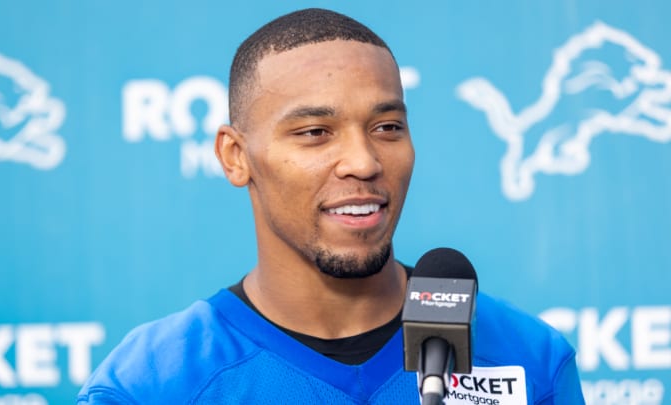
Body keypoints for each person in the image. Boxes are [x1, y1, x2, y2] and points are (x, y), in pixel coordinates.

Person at [77, 8, 584, 404]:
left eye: (387, 128)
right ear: (236, 157)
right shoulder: (152, 385)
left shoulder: (526, 357)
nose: (363, 162)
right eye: (315, 133)